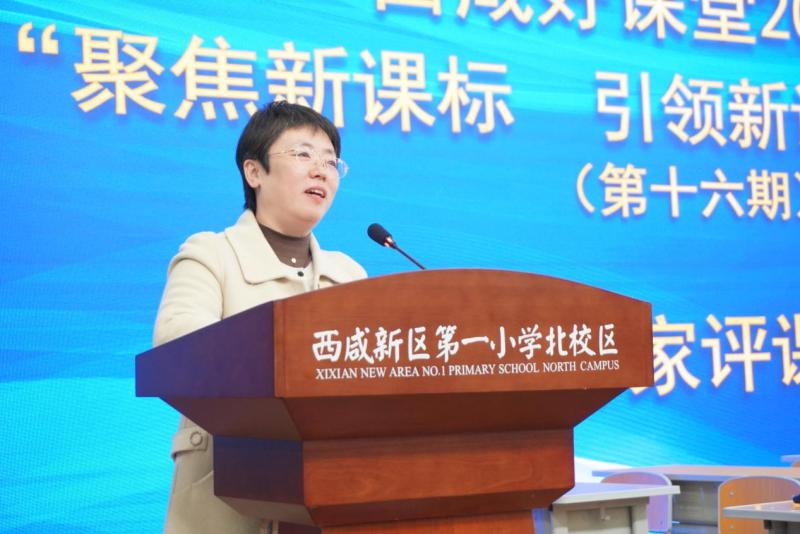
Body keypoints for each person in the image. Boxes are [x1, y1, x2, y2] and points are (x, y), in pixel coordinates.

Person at [153, 101, 367, 534]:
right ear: (254, 172)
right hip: (226, 500)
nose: (321, 171)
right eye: (303, 154)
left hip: (332, 498)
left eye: (331, 162)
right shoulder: (210, 255)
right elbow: (178, 345)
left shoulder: (349, 274)